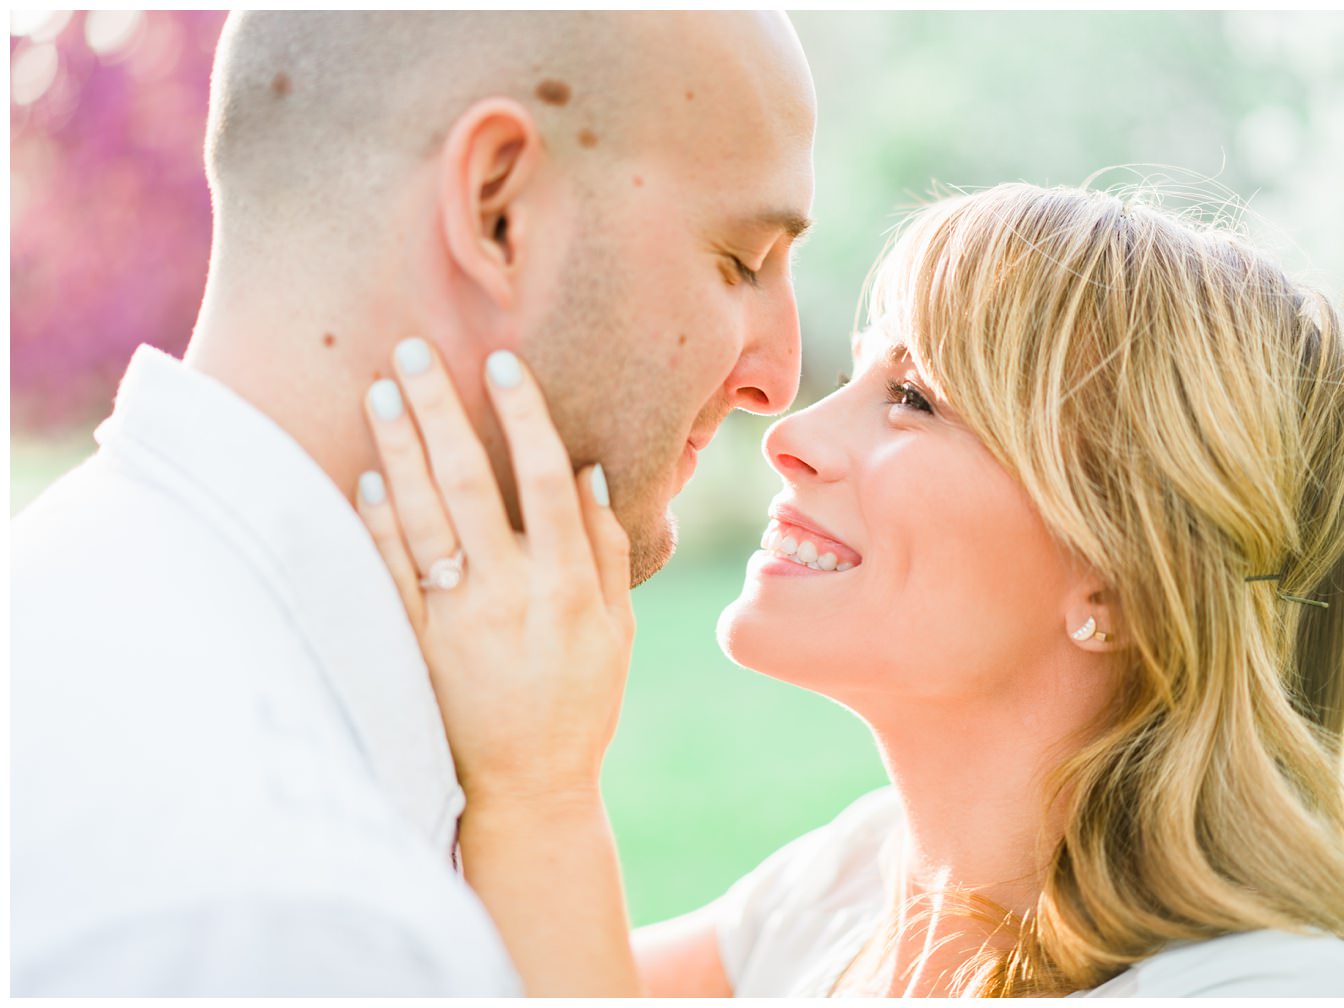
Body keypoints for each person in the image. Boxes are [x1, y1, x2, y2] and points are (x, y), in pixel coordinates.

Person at [356, 182, 1344, 996]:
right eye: (859, 374)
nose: (791, 435)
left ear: (1125, 581)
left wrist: (541, 791)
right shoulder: (866, 879)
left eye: (913, 397)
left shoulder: (1263, 993)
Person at [10, 11, 813, 995]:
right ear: (496, 210)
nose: (778, 380)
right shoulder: (298, 924)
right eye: (738, 260)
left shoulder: (71, 587)